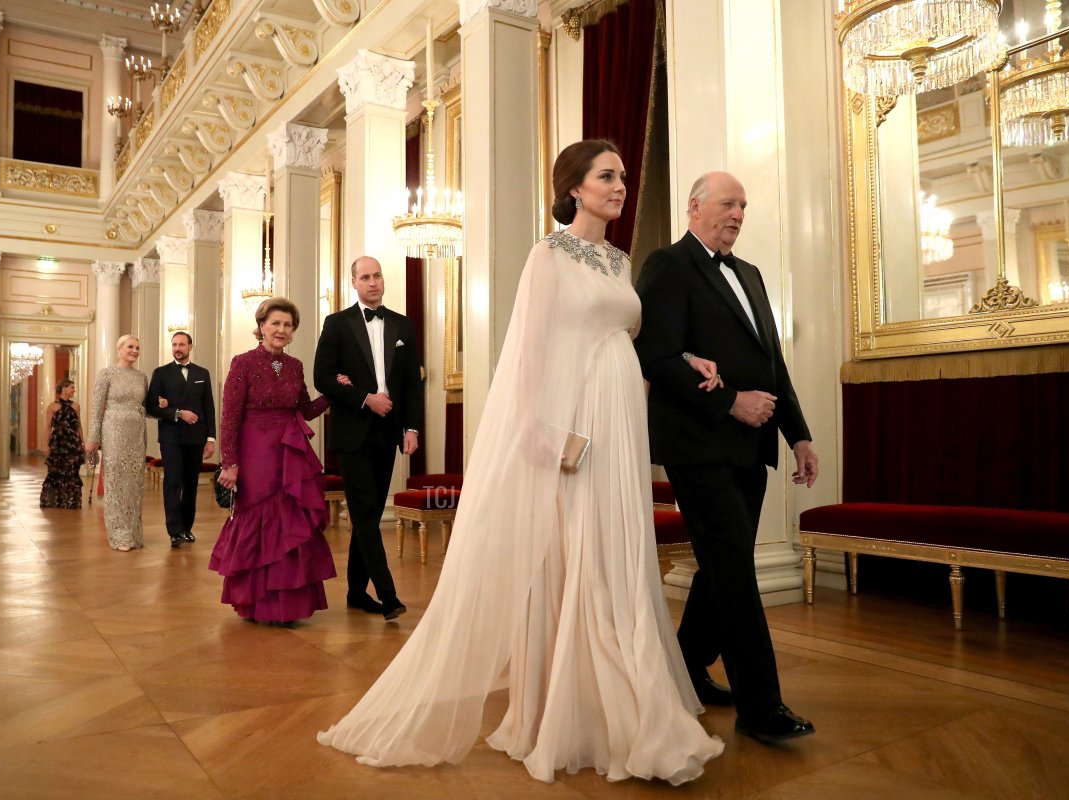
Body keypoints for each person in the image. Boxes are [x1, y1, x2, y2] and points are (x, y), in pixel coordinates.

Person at [318, 140, 724, 785]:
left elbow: (626, 339)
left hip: (622, 419)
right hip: (576, 423)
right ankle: (572, 708)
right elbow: (529, 349)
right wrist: (536, 428)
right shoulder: (549, 253)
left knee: (617, 551)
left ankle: (626, 698)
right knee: (576, 552)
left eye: (622, 176)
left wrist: (686, 362)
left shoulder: (621, 260)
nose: (621, 185)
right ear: (574, 187)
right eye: (607, 176)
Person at [633, 170, 820, 744]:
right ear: (694, 207)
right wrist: (731, 403)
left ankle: (685, 666)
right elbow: (656, 356)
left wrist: (798, 433)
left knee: (723, 564)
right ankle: (761, 706)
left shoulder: (752, 274)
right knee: (736, 570)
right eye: (727, 204)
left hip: (751, 448)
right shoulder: (668, 264)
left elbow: (773, 363)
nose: (738, 214)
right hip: (697, 444)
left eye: (743, 205)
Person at [211, 298, 337, 625]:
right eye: (275, 323)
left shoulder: (295, 366)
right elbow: (229, 418)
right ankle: (256, 603)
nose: (281, 330)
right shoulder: (243, 362)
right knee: (259, 520)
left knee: (290, 523)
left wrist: (334, 393)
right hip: (255, 452)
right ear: (262, 326)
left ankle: (288, 607)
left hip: (289, 450)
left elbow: (305, 409)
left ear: (293, 331)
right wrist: (230, 462)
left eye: (288, 325)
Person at [313, 256, 422, 621]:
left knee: (370, 515)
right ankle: (388, 595)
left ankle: (357, 593)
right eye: (365, 277)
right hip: (353, 430)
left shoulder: (403, 324)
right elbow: (323, 377)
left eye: (377, 275)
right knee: (363, 512)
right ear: (354, 283)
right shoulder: (337, 323)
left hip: (388, 430)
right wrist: (364, 397)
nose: (373, 282)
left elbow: (410, 385)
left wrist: (411, 428)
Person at [146, 331, 217, 548]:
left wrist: (211, 438)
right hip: (171, 437)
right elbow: (151, 406)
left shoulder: (202, 373)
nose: (177, 348)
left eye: (182, 344)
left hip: (196, 438)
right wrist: (177, 412)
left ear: (190, 347)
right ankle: (174, 530)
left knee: (191, 484)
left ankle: (187, 528)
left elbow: (209, 407)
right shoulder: (161, 373)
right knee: (173, 482)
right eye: (174, 344)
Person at [86, 335, 149, 552]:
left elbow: (146, 407)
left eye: (137, 348)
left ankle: (133, 533)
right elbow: (96, 408)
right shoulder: (107, 374)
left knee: (134, 483)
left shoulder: (141, 376)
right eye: (130, 347)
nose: (134, 350)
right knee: (115, 483)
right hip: (113, 431)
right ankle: (119, 535)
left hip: (136, 433)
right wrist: (93, 439)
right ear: (119, 349)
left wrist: (163, 405)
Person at [39, 378, 85, 509]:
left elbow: (78, 425)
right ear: (64, 389)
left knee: (72, 471)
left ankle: (71, 501)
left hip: (72, 443)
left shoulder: (76, 406)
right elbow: (48, 427)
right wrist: (45, 445)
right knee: (55, 471)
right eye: (72, 387)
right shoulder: (52, 406)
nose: (74, 390)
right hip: (57, 442)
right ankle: (55, 501)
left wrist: (83, 442)